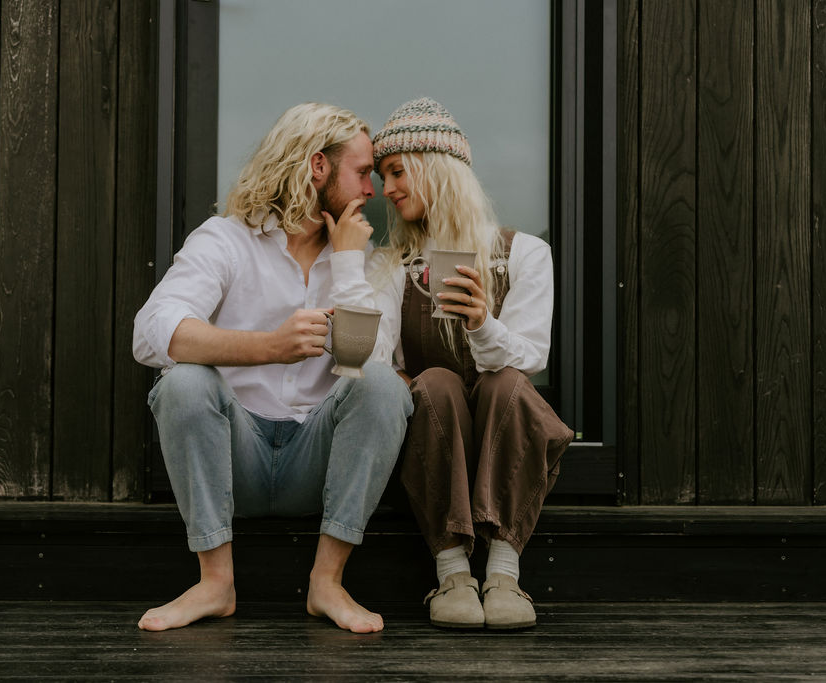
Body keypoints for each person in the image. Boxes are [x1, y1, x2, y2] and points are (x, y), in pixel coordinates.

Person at [132, 102, 413, 634]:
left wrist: (349, 264)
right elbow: (151, 333)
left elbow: (373, 367)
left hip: (317, 458)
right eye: (362, 172)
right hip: (236, 456)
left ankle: (327, 581)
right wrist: (268, 347)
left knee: (381, 384)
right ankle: (215, 583)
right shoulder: (226, 239)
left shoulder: (365, 259)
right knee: (183, 382)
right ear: (317, 166)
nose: (372, 190)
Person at [368, 97, 574, 630]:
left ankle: (504, 570)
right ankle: (453, 569)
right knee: (433, 381)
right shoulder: (392, 264)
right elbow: (373, 354)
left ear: (435, 166)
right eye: (381, 176)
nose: (385, 190)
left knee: (507, 381)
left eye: (395, 172)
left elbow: (533, 355)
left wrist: (482, 323)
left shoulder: (525, 252)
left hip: (500, 430)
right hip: (436, 433)